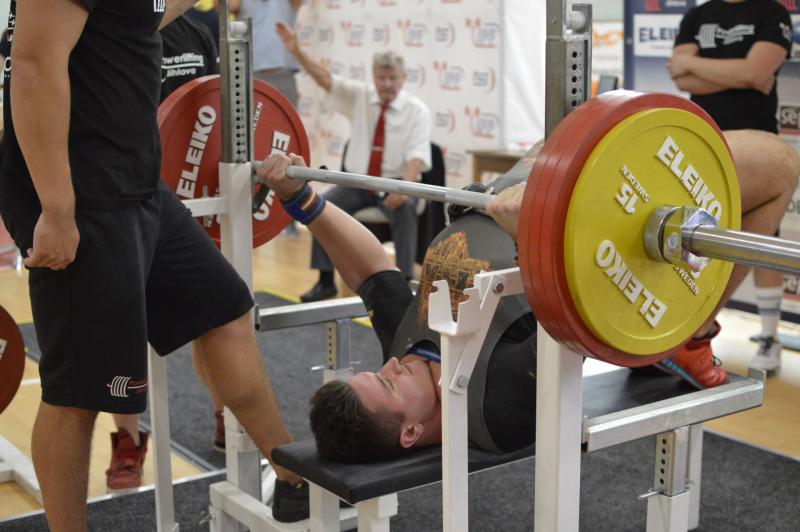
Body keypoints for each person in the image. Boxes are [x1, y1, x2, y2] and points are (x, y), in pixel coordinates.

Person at [256, 128, 800, 461]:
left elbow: (371, 270)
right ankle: (690, 331)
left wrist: (301, 200)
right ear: (411, 433)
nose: (391, 365)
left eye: (378, 371)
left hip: (523, 189)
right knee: (777, 166)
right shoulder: (497, 406)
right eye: (386, 384)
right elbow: (577, 313)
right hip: (588, 224)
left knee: (581, 116)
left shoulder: (408, 353)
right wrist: (531, 236)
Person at [0, 1, 308, 527]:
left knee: (224, 309)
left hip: (141, 185)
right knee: (77, 394)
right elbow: (33, 68)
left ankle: (292, 478)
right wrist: (56, 209)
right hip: (84, 196)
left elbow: (139, 17)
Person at [105, 13, 223, 494]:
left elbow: (216, 108)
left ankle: (226, 412)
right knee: (123, 326)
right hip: (127, 194)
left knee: (213, 317)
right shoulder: (111, 21)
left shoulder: (198, 31)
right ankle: (128, 442)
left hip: (195, 198)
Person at [668, 0, 794, 373]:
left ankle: (769, 337)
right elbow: (681, 78)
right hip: (704, 141)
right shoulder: (698, 14)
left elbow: (757, 71)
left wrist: (697, 65)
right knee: (694, 237)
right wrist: (742, 74)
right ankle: (683, 330)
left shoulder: (771, 12)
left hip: (758, 145)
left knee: (762, 241)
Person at [276, 22, 432, 302]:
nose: (387, 84)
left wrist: (405, 187)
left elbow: (417, 156)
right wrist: (296, 51)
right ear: (373, 76)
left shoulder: (417, 111)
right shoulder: (360, 96)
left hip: (396, 182)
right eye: (381, 78)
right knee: (320, 204)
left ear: (403, 78)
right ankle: (325, 281)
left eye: (393, 78)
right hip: (359, 183)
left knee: (406, 207)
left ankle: (405, 283)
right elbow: (324, 78)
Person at [230, 0, 303, 239]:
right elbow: (226, 7)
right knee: (245, 148)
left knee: (290, 147)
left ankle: (290, 218)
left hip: (282, 77)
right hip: (249, 76)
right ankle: (244, 213)